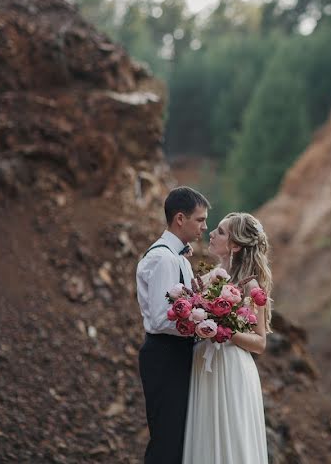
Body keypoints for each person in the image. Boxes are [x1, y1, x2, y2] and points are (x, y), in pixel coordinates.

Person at [183, 212, 272, 464]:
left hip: (231, 369)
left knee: (232, 442)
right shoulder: (209, 278)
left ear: (235, 245)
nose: (211, 233)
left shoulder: (251, 287)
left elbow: (260, 342)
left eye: (220, 232)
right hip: (205, 365)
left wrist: (226, 329)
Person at [136, 186, 209, 464]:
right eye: (200, 220)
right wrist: (199, 326)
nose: (204, 226)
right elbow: (159, 317)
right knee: (167, 441)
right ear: (180, 219)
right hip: (164, 354)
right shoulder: (164, 258)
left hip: (174, 353)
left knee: (177, 439)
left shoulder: (177, 257)